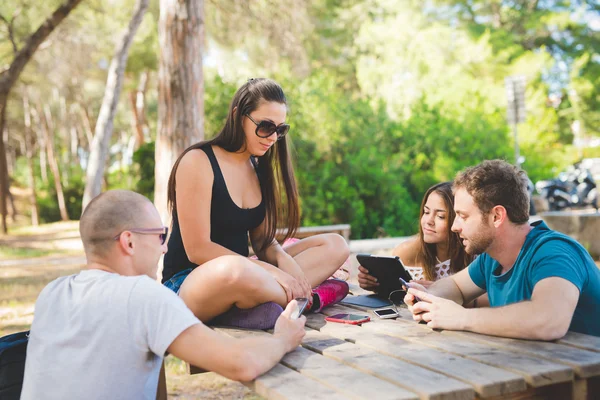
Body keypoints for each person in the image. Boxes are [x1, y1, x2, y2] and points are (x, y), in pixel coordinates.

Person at [21, 190, 306, 400]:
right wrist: (284, 339)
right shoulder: (142, 296)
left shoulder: (51, 294)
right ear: (129, 241)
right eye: (160, 236)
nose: (165, 248)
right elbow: (241, 364)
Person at [161, 78, 350, 326]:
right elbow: (198, 250)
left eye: (280, 130)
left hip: (248, 273)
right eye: (265, 126)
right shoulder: (198, 161)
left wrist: (284, 261)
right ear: (239, 116)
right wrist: (272, 272)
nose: (272, 137)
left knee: (336, 245)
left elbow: (262, 241)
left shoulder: (257, 167)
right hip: (190, 282)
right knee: (239, 272)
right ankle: (308, 299)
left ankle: (265, 305)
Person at [405, 160, 600, 339]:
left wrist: (462, 317)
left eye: (463, 216)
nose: (455, 227)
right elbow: (455, 287)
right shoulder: (491, 258)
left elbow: (548, 320)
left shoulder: (554, 253)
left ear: (497, 216)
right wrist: (426, 298)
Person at [358, 182, 474, 290]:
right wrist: (373, 285)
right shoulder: (407, 251)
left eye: (440, 216)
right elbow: (394, 295)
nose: (429, 221)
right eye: (426, 212)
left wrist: (443, 291)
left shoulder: (477, 253)